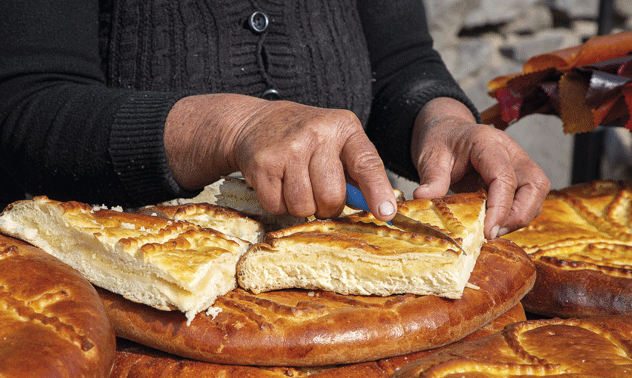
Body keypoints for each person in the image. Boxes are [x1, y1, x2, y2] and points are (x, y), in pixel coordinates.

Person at [0, 0, 550, 240]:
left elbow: (401, 64)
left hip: (336, 281)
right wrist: (232, 128)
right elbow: (27, 107)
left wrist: (445, 124)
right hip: (114, 301)